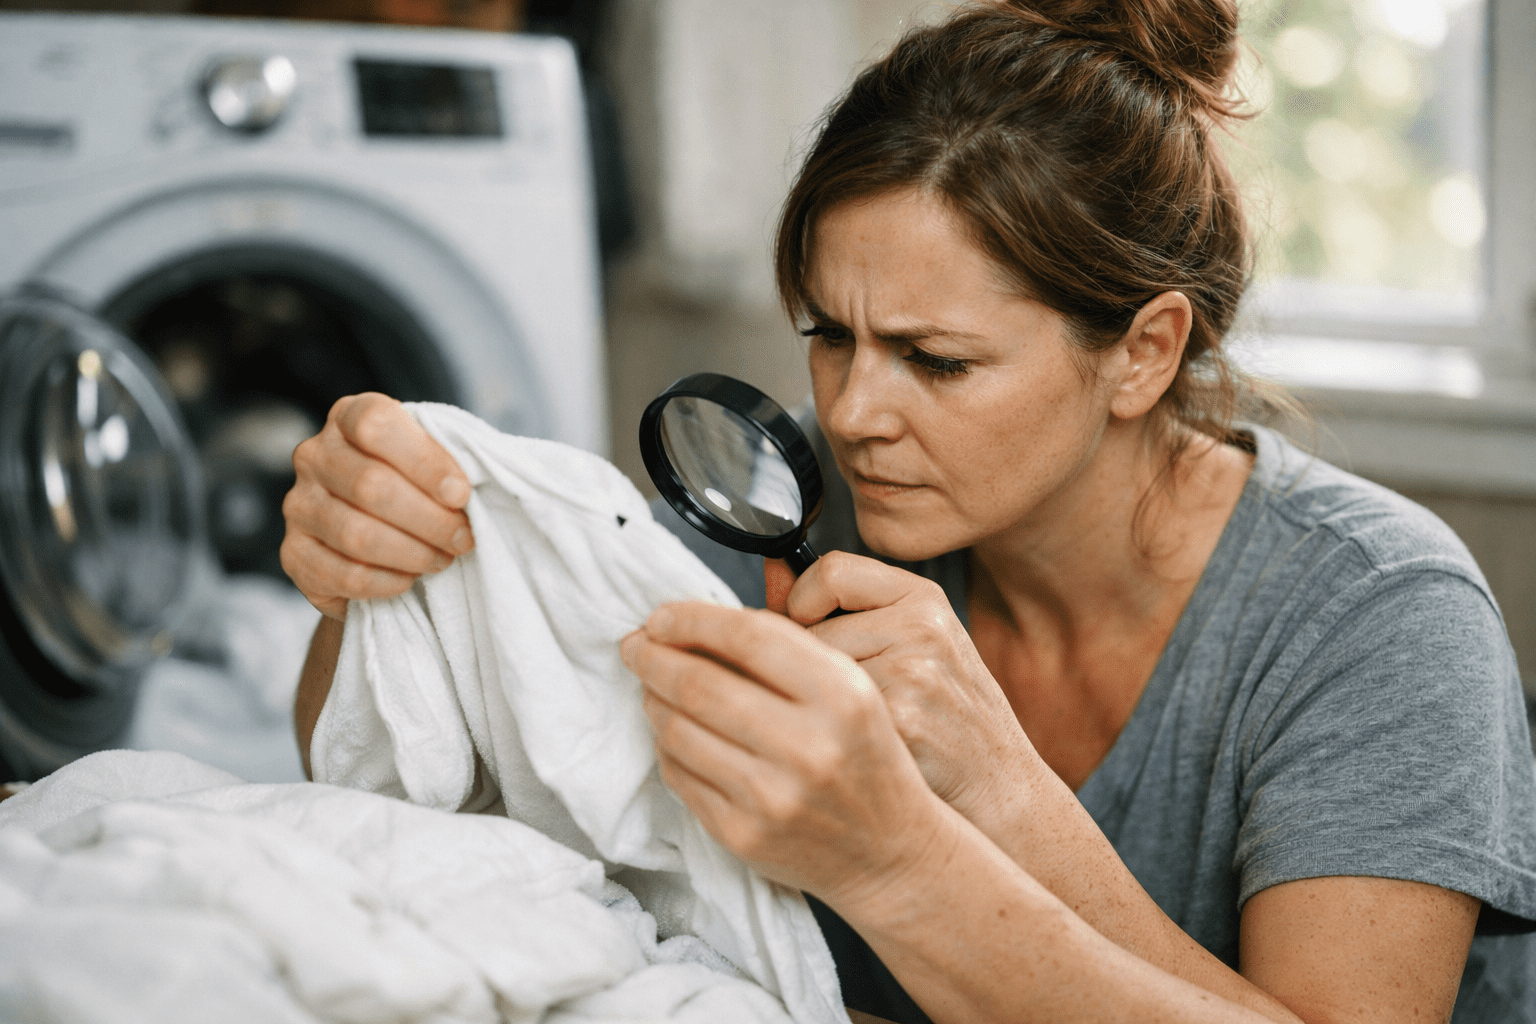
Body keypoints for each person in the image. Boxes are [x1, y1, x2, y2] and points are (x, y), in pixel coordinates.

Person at [279, 1, 1536, 1021]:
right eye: (830, 334)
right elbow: (458, 748)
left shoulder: (1379, 617)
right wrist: (374, 581)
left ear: (1145, 353)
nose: (857, 411)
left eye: (936, 360)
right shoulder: (799, 498)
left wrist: (941, 829)